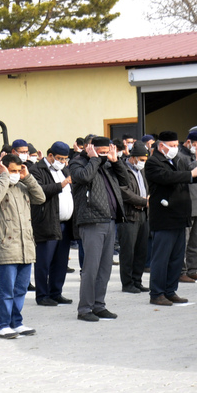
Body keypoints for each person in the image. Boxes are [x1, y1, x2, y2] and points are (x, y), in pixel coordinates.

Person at [146, 132, 197, 306]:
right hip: (164, 218)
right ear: (160, 145)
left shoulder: (175, 160)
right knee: (161, 258)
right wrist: (192, 173)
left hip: (179, 215)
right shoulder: (153, 162)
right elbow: (168, 178)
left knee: (176, 259)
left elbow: (184, 179)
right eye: (170, 145)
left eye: (175, 145)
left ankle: (170, 291)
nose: (174, 149)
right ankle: (157, 293)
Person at [0, 153, 45, 339]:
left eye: (18, 170)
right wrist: (3, 176)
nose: (16, 174)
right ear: (2, 167)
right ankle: (1, 324)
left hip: (25, 244)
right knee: (7, 290)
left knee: (21, 289)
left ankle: (16, 322)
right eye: (13, 170)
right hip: (6, 244)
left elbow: (40, 197)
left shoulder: (21, 185)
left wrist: (28, 177)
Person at [69, 137, 129, 322]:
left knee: (105, 268)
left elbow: (124, 180)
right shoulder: (78, 163)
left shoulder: (108, 164)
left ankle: (99, 305)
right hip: (91, 221)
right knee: (91, 267)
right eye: (100, 151)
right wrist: (94, 159)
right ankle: (85, 308)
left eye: (106, 151)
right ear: (90, 149)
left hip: (110, 220)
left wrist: (115, 161)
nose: (104, 154)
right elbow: (84, 177)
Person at [30, 141, 74, 306]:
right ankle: (42, 295)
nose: (62, 162)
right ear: (50, 156)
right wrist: (60, 185)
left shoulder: (64, 170)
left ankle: (56, 292)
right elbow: (38, 192)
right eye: (59, 158)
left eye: (64, 159)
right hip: (47, 221)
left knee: (61, 262)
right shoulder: (37, 170)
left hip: (65, 223)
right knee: (44, 261)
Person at [117, 142, 150, 293]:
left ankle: (137, 280)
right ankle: (127, 283)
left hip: (143, 214)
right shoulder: (123, 170)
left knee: (141, 250)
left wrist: (147, 199)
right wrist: (142, 201)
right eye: (141, 159)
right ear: (133, 157)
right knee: (128, 252)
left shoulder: (141, 171)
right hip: (129, 215)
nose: (143, 162)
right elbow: (124, 192)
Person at [178, 132, 197, 282]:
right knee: (184, 240)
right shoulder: (179, 155)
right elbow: (188, 172)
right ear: (189, 142)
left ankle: (192, 269)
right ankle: (181, 271)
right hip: (187, 205)